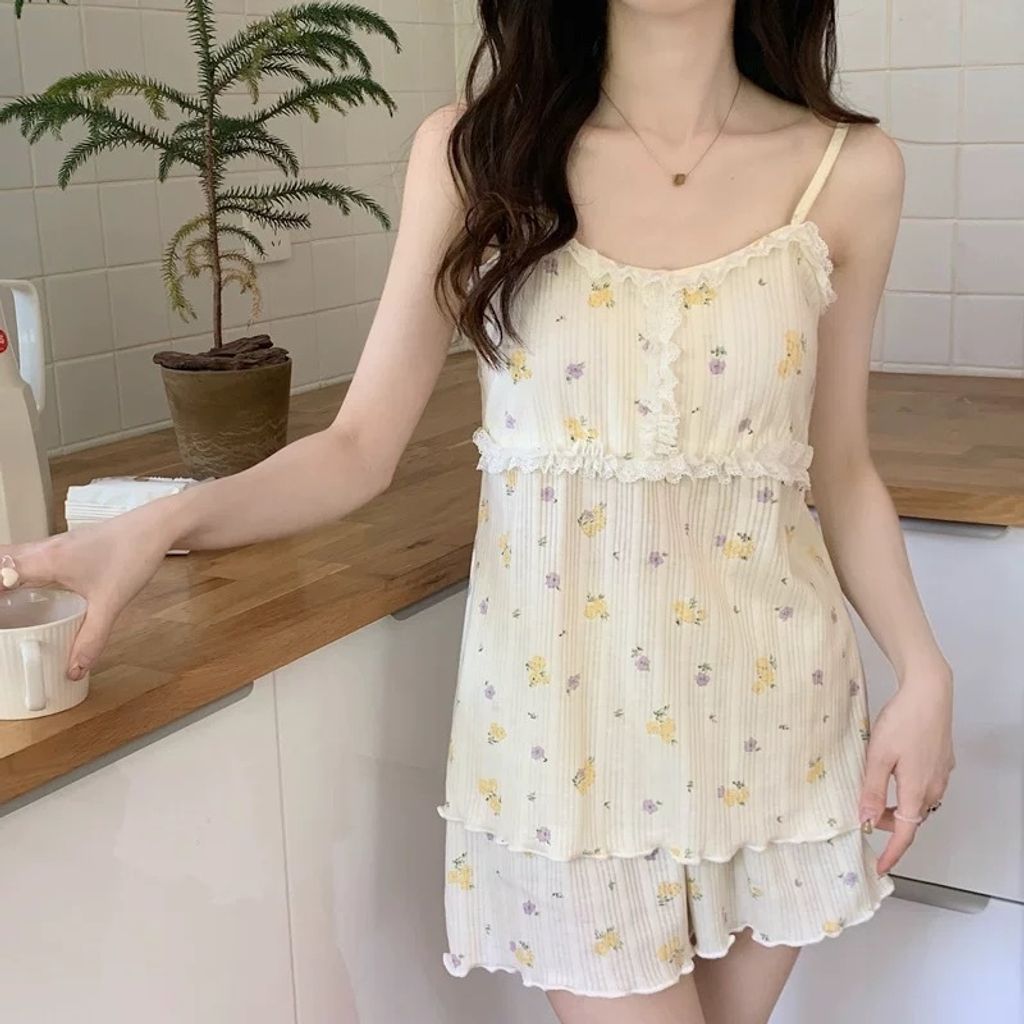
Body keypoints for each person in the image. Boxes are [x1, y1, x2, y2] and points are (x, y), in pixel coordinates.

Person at [1, 2, 956, 1021]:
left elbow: (838, 468)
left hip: (775, 723)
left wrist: (924, 671)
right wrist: (156, 524)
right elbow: (356, 449)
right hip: (566, 749)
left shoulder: (848, 170)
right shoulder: (474, 155)